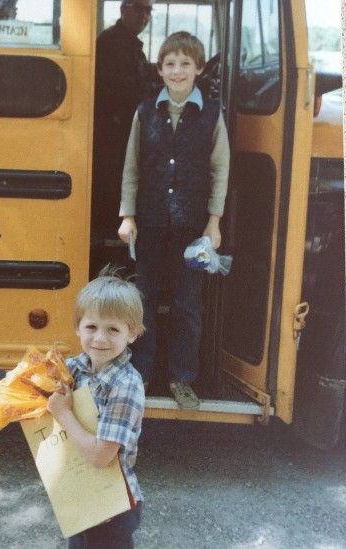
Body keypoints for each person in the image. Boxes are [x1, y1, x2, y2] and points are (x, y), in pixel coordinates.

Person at [0, 266, 147, 547]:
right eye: (91, 327)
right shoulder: (72, 368)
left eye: (113, 329)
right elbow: (19, 396)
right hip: (76, 496)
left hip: (112, 507)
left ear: (132, 333)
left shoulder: (126, 385)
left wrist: (63, 413)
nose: (99, 338)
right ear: (77, 327)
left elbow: (100, 456)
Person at [116, 31, 231, 410]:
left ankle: (183, 377)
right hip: (149, 222)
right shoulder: (145, 111)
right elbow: (132, 167)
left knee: (187, 303)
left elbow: (220, 170)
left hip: (192, 228)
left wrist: (213, 222)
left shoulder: (212, 114)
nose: (177, 71)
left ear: (199, 68)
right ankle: (141, 374)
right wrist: (127, 215)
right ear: (160, 70)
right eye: (169, 64)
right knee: (144, 298)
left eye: (185, 63)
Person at [91, 1, 160, 255]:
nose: (144, 16)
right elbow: (122, 92)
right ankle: (114, 244)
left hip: (125, 129)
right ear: (123, 10)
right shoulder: (111, 44)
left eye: (148, 11)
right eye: (139, 9)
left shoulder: (130, 44)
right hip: (113, 133)